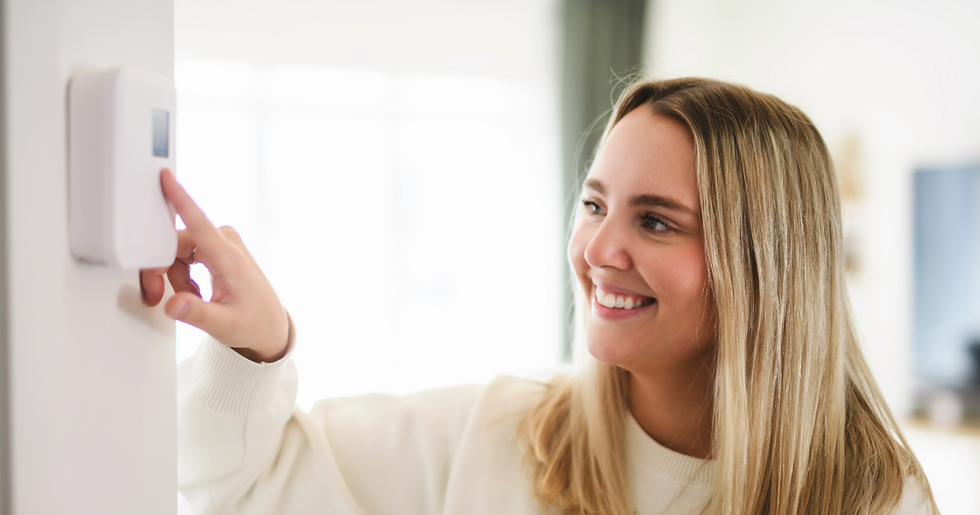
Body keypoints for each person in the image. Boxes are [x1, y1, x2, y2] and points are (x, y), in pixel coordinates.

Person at [142, 77, 938, 514]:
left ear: (767, 267)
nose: (597, 250)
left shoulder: (872, 499)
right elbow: (242, 486)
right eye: (594, 204)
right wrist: (257, 342)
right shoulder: (500, 433)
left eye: (656, 221)